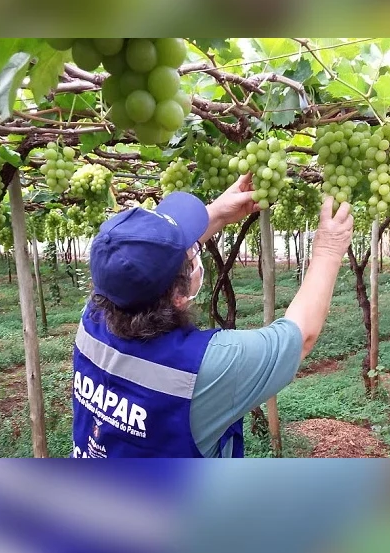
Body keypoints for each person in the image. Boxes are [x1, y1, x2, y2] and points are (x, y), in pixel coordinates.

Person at [71, 173, 353, 458]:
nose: (195, 251)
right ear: (179, 296)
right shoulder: (208, 367)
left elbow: (138, 268)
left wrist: (216, 213)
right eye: (192, 253)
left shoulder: (92, 318)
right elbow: (301, 335)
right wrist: (328, 250)